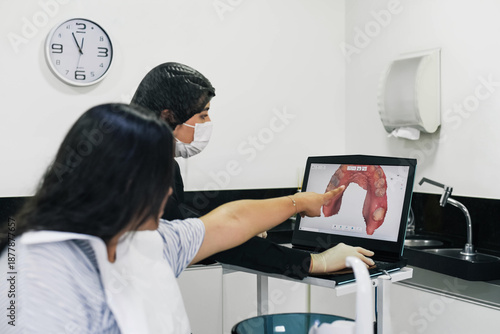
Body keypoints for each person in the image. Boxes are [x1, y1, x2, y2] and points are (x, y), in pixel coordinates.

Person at [0, 103, 362, 333]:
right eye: (160, 178)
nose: (169, 192)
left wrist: (300, 203)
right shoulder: (39, 269)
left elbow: (230, 221)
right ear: (125, 181)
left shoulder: (146, 242)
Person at [130, 62, 375, 278]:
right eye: (202, 116)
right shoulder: (142, 168)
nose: (208, 124)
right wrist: (316, 261)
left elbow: (189, 229)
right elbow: (202, 236)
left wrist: (239, 231)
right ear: (169, 115)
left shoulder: (158, 162)